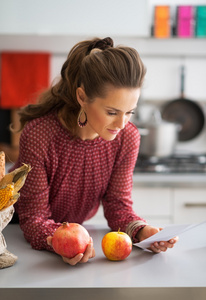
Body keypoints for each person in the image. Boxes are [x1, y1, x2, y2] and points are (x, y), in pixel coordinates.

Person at [11, 37, 178, 265]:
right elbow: (34, 219)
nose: (121, 124)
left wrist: (142, 232)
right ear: (82, 97)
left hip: (75, 237)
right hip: (17, 237)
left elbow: (118, 206)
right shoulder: (40, 135)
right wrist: (61, 243)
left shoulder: (128, 138)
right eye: (112, 112)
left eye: (130, 112)